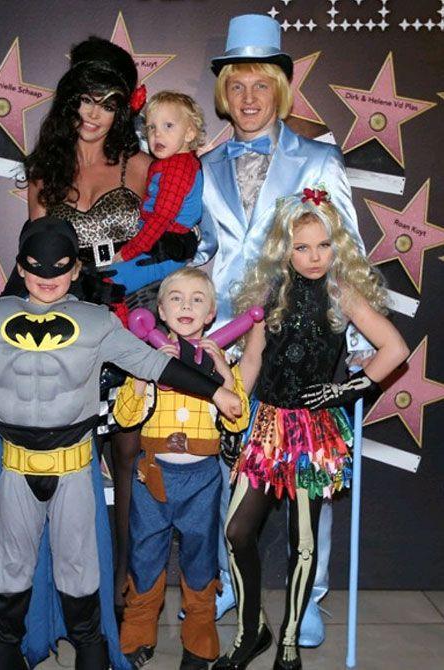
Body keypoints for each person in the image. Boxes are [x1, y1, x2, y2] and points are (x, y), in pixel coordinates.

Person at [0, 217, 242, 670]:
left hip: (72, 465)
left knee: (79, 567)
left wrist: (216, 391)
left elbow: (154, 364)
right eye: (37, 266)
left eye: (60, 267)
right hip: (17, 465)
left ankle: (89, 647)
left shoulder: (96, 323)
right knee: (12, 565)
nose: (48, 276)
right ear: (21, 267)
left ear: (75, 269)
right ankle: (5, 647)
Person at [5, 37, 200, 620]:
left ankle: (124, 598)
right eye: (85, 99)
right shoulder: (44, 172)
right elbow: (33, 260)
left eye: (109, 103)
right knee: (66, 472)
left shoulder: (141, 166)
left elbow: (179, 243)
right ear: (69, 101)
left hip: (131, 326)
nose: (94, 114)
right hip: (65, 334)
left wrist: (144, 280)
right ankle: (69, 599)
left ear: (124, 109)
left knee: (131, 465)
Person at [194, 13, 363, 636]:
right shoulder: (204, 167)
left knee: (307, 471)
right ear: (223, 94)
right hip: (226, 338)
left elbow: (346, 250)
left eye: (260, 85)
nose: (248, 98)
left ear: (281, 90)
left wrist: (357, 344)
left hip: (301, 338)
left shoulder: (318, 159)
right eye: (237, 86)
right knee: (228, 467)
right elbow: (202, 250)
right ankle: (229, 582)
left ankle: (309, 597)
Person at [212, 190, 409, 670]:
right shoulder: (270, 292)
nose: (315, 257)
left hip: (312, 434)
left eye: (323, 245)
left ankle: (290, 640)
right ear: (284, 248)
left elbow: (395, 349)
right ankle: (251, 630)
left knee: (303, 543)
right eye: (302, 247)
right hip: (266, 426)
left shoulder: (342, 292)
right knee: (237, 531)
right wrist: (234, 411)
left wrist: (345, 391)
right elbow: (253, 359)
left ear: (336, 245)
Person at [114, 267, 250, 670]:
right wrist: (146, 372)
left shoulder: (221, 362)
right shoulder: (149, 358)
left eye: (196, 300)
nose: (186, 306)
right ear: (160, 310)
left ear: (211, 314)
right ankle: (137, 633)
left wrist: (224, 375)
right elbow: (124, 416)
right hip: (152, 476)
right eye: (176, 298)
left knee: (201, 559)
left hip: (201, 480)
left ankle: (200, 639)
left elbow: (238, 420)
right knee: (144, 555)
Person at [103, 91, 206, 296]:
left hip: (165, 249)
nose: (157, 134)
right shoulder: (171, 163)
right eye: (151, 127)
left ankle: (120, 316)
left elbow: (161, 217)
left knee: (111, 283)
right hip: (153, 239)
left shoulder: (178, 168)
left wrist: (130, 251)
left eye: (168, 126)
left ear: (189, 133)